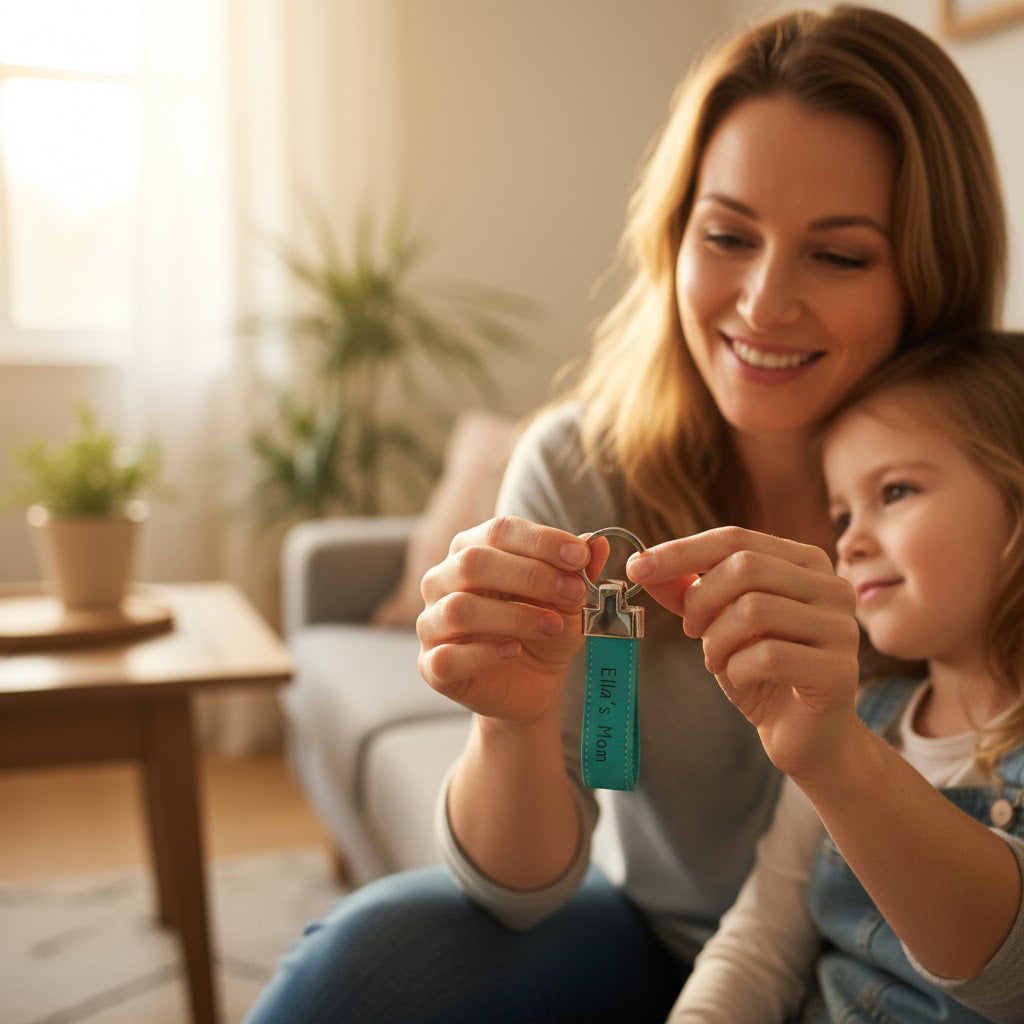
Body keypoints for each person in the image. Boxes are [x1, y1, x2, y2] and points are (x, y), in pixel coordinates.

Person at [245, 7, 1007, 1022]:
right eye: (726, 235)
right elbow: (520, 889)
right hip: (662, 946)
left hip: (903, 981)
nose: (761, 301)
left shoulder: (994, 492)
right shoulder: (583, 476)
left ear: (930, 270)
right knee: (365, 962)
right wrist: (512, 724)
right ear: (673, 237)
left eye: (837, 256)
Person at [655, 329, 1024, 1022]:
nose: (848, 540)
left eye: (896, 490)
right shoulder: (854, 721)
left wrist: (838, 761)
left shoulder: (840, 746)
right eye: (841, 514)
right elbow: (758, 948)